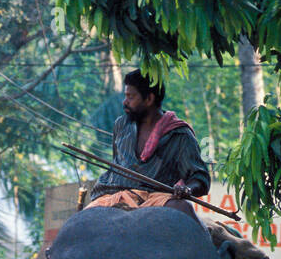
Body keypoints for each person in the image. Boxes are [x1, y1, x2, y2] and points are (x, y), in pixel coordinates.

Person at [88, 69, 210, 223]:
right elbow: (115, 164)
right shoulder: (121, 125)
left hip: (157, 198)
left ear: (149, 99)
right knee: (81, 223)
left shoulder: (180, 134)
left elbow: (199, 177)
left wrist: (187, 189)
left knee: (184, 210)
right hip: (115, 195)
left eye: (130, 97)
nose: (125, 102)